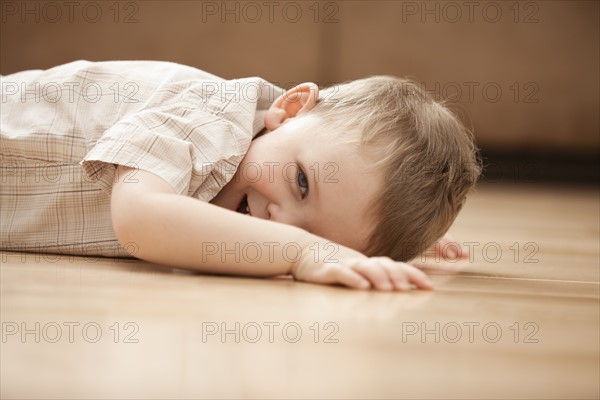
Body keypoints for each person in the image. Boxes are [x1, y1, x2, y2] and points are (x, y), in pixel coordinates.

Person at [0, 60, 481, 291]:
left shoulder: (276, 160)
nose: (277, 222)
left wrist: (385, 241)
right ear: (289, 109)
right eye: (302, 184)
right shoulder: (209, 116)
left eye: (310, 229)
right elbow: (139, 217)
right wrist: (305, 250)